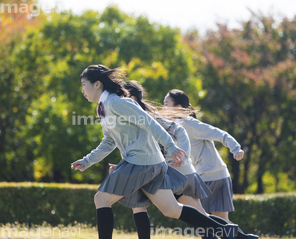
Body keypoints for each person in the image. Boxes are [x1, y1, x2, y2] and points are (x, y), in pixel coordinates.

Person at [71, 64, 238, 239]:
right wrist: (87, 160)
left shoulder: (117, 102)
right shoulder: (104, 107)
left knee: (101, 199)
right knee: (172, 210)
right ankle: (228, 231)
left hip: (141, 163)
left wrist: (171, 147)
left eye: (83, 84)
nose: (82, 90)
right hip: (150, 164)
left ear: (97, 84)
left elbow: (150, 123)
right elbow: (109, 141)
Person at [163, 89, 259, 239]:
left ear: (179, 108)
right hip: (216, 175)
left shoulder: (188, 123)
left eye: (166, 104)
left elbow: (220, 133)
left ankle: (243, 238)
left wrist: (236, 148)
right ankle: (244, 238)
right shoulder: (173, 126)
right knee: (218, 223)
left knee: (202, 221)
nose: (163, 108)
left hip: (210, 177)